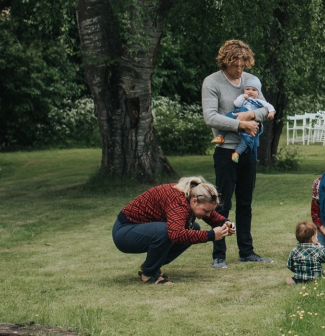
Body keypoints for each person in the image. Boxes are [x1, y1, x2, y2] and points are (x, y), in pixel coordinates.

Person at [202, 39, 273, 268]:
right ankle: (219, 255)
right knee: (222, 204)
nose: (240, 70)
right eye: (236, 65)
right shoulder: (212, 82)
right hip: (226, 151)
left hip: (249, 150)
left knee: (246, 203)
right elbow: (211, 117)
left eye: (243, 65)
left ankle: (247, 251)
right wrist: (240, 125)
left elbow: (265, 108)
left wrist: (249, 117)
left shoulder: (251, 81)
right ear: (225, 61)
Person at [112, 176, 235, 285]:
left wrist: (224, 222)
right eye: (206, 211)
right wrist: (211, 235)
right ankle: (148, 274)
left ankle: (150, 266)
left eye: (210, 211)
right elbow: (176, 235)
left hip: (136, 229)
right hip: (125, 232)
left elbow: (208, 213)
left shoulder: (190, 195)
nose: (208, 215)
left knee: (193, 227)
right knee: (168, 232)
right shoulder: (179, 202)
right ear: (194, 201)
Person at [211, 75, 276, 164]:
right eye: (248, 89)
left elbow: (269, 107)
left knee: (248, 139)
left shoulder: (259, 101)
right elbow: (236, 104)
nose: (250, 92)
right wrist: (242, 96)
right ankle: (221, 136)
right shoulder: (244, 99)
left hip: (251, 122)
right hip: (239, 114)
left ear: (258, 93)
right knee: (228, 117)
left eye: (254, 90)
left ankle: (237, 153)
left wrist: (271, 113)